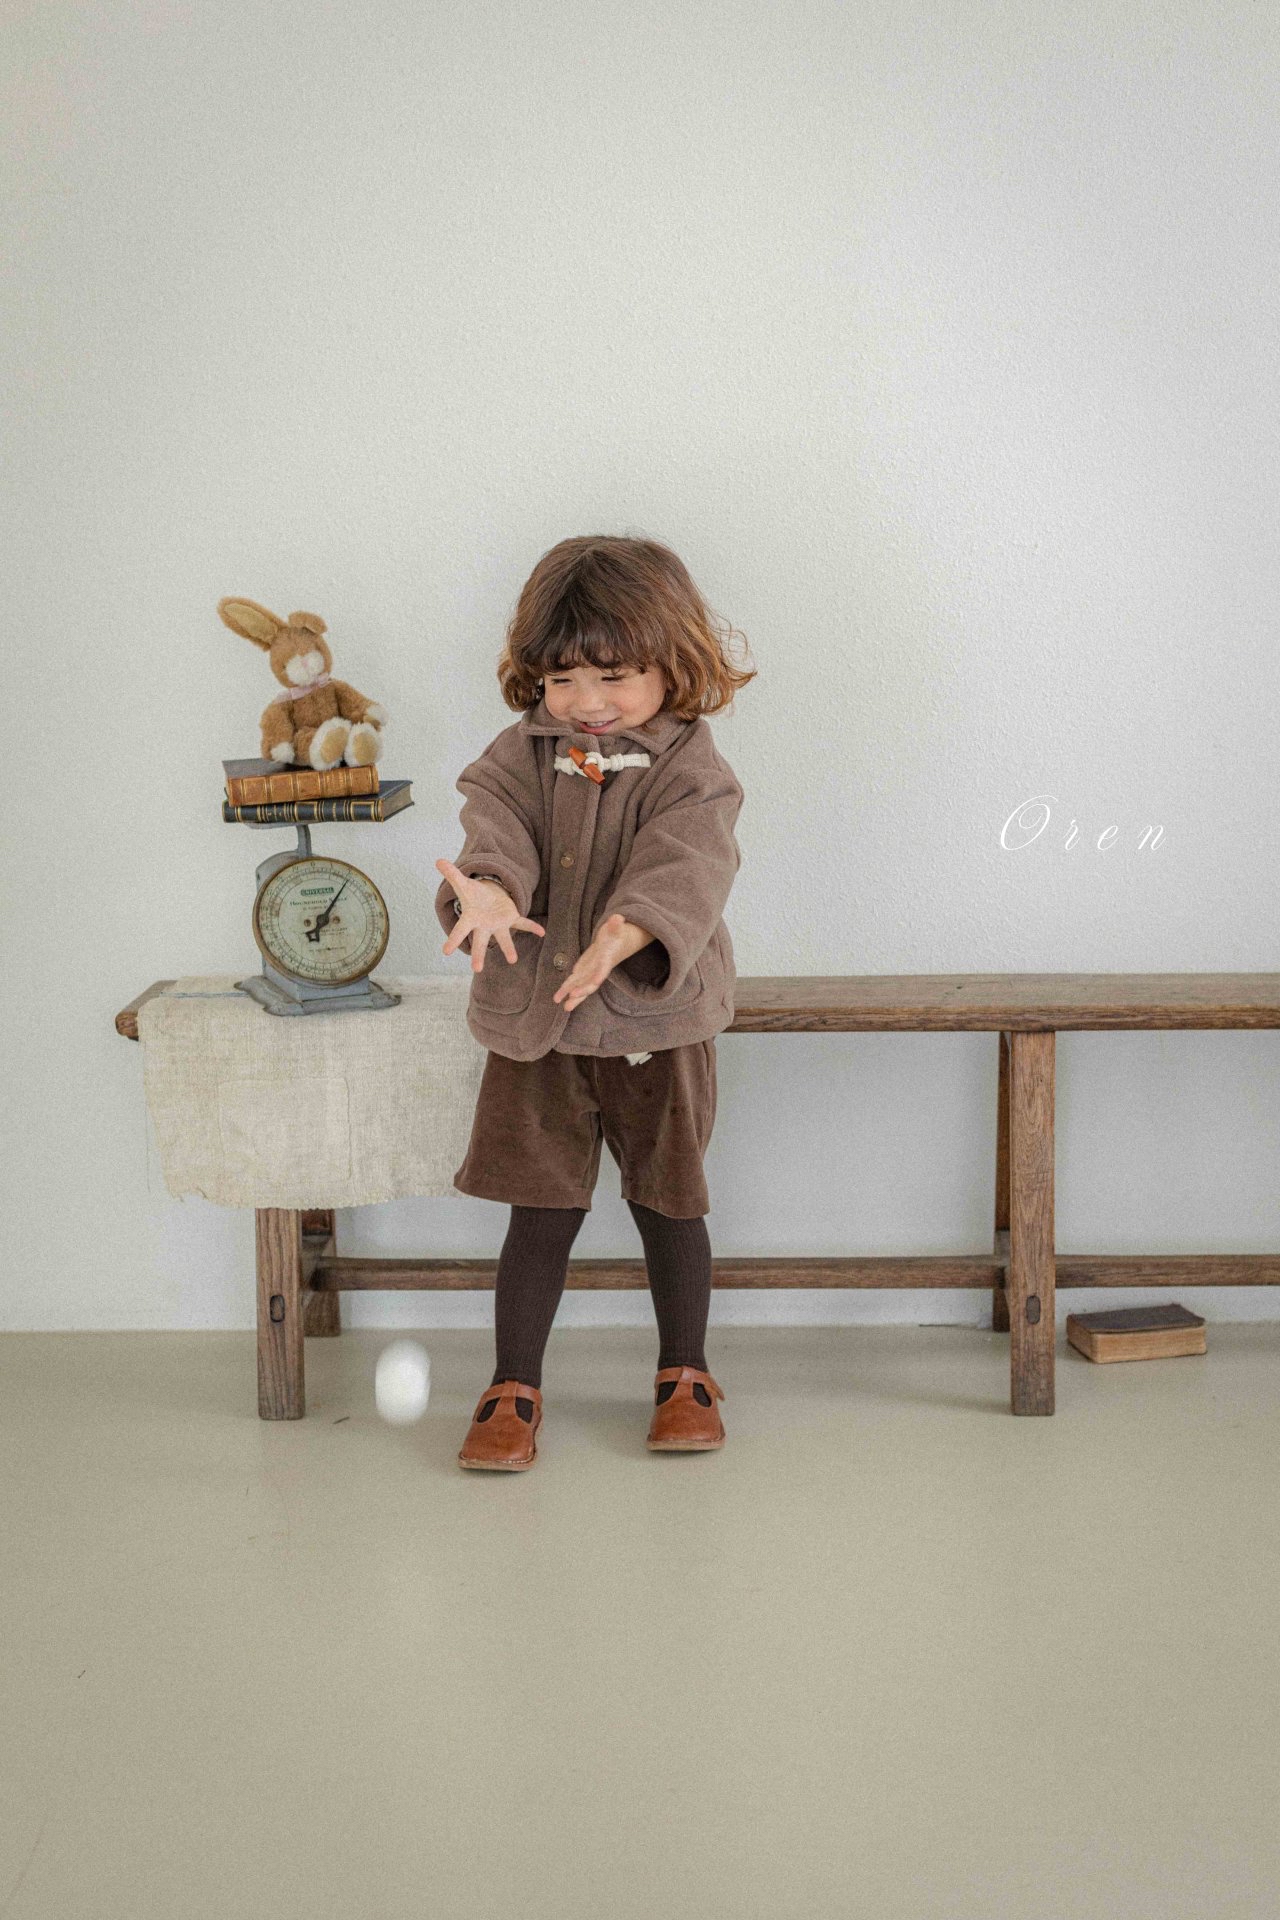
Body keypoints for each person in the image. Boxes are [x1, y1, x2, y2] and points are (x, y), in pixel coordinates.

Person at [434, 534, 755, 1470]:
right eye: (562, 679)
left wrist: (630, 930)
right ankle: (512, 1385)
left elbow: (688, 861)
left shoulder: (694, 765)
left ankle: (686, 1373)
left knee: (670, 1201)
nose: (587, 702)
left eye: (613, 676)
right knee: (538, 1210)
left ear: (672, 665)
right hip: (540, 1026)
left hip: (657, 1020)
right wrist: (486, 892)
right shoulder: (519, 754)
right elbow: (495, 830)